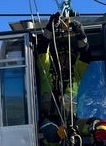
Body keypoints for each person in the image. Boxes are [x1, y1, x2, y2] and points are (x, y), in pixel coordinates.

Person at [37, 12, 91, 145]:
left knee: (96, 125)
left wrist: (81, 35)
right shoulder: (47, 75)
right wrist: (50, 28)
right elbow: (42, 51)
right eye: (61, 57)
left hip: (73, 123)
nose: (64, 60)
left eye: (67, 57)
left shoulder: (76, 75)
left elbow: (85, 56)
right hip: (49, 122)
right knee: (52, 134)